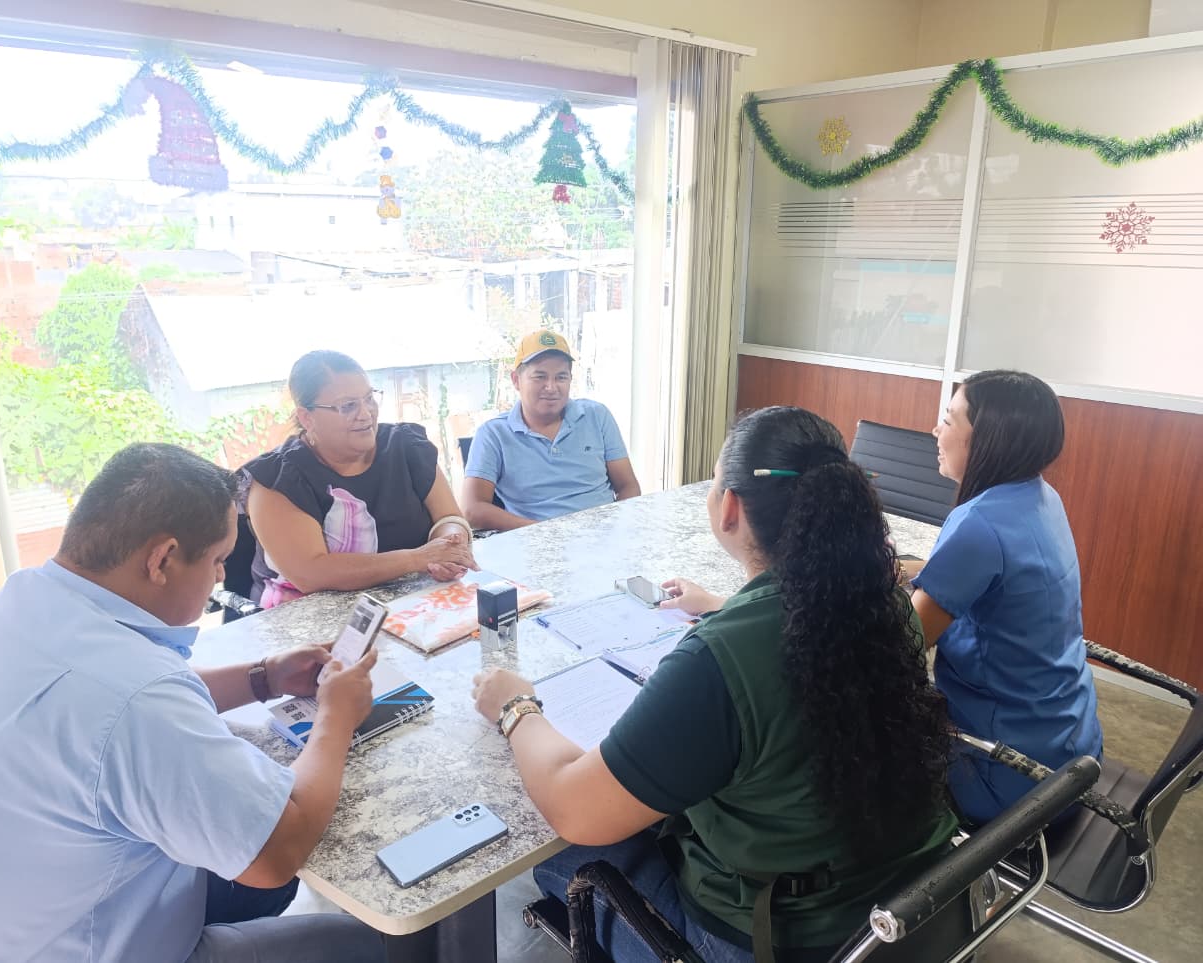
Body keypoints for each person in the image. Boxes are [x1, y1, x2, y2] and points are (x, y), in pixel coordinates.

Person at [471, 407, 957, 963]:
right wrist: (723, 608)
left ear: (729, 507)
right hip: (911, 908)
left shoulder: (716, 662)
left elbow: (573, 808)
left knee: (558, 853)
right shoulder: (886, 602)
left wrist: (515, 706)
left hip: (778, 939)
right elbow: (798, 639)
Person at [0, 444, 386, 963]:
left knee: (249, 879)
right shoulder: (136, 699)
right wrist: (336, 717)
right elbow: (278, 849)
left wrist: (263, 677)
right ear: (162, 559)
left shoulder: (9, 609)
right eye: (217, 561)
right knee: (365, 943)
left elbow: (113, 709)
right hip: (85, 947)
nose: (220, 577)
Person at [911, 369, 1103, 825]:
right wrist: (918, 572)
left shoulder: (977, 523)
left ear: (988, 439)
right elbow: (998, 577)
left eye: (949, 419)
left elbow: (901, 640)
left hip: (1009, 775)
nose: (936, 430)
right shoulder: (1042, 497)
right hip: (1070, 751)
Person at [242, 350, 476, 608]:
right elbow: (312, 573)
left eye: (369, 399)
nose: (366, 413)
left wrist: (449, 547)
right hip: (307, 616)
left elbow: (449, 517)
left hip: (414, 603)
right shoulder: (277, 479)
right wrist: (418, 558)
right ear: (306, 417)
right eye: (348, 406)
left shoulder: (405, 446)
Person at [460, 329, 641, 531]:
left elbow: (627, 486)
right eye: (540, 377)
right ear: (516, 380)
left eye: (561, 377)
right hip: (534, 541)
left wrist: (620, 527)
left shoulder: (597, 416)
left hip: (603, 535)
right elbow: (472, 510)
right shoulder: (493, 434)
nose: (551, 387)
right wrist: (544, 533)